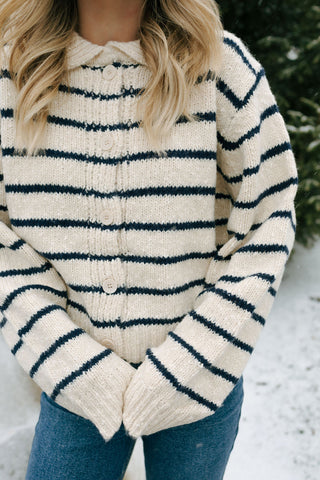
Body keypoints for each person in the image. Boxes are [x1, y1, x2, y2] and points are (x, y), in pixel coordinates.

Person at [0, 0, 298, 479]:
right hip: (77, 385)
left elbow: (268, 217)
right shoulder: (11, 73)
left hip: (201, 379)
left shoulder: (220, 66)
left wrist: (187, 361)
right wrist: (76, 364)